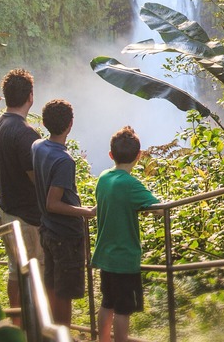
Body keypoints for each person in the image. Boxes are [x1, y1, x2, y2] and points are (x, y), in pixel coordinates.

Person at [0, 69, 45, 325]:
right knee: (35, 271)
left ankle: (17, 323)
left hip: (6, 211)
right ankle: (36, 326)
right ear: (30, 97)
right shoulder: (26, 133)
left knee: (15, 270)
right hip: (27, 218)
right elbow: (36, 179)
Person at [90, 127, 160, 342]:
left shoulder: (103, 178)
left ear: (111, 155)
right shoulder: (131, 184)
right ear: (139, 157)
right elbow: (159, 208)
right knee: (123, 310)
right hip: (124, 259)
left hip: (106, 256)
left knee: (107, 303)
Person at [31, 98, 96, 326]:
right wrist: (85, 211)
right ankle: (63, 334)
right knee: (65, 292)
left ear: (45, 122)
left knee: (52, 285)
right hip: (64, 235)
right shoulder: (64, 160)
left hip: (47, 230)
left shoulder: (37, 146)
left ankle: (53, 333)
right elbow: (53, 203)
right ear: (70, 124)